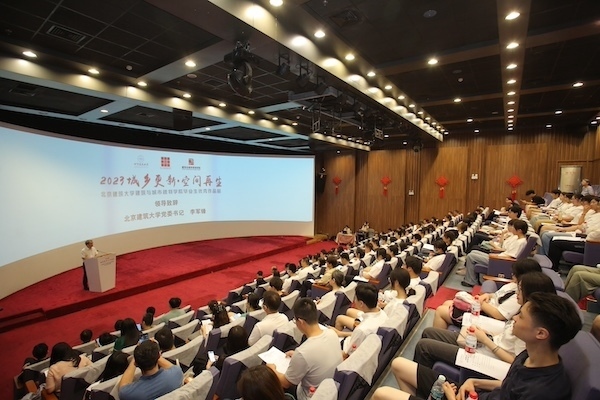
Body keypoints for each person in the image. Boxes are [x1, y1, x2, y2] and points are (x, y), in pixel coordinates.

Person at [372, 292, 582, 400]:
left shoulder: (542, 392)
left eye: (522, 316)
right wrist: (475, 381)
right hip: (473, 394)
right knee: (398, 364)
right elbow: (508, 385)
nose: (514, 318)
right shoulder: (529, 355)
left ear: (541, 333)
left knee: (382, 394)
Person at [414, 272, 557, 369]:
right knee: (429, 332)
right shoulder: (525, 313)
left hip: (487, 355)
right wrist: (485, 334)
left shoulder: (532, 325)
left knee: (423, 346)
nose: (517, 293)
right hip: (486, 341)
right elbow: (505, 333)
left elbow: (516, 362)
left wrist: (485, 340)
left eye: (520, 290)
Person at [434, 258, 542, 329]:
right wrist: (487, 295)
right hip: (484, 307)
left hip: (488, 317)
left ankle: (436, 341)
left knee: (440, 310)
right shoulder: (513, 285)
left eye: (515, 273)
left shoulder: (519, 296)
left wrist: (480, 303)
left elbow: (498, 315)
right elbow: (497, 295)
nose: (512, 274)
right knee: (448, 303)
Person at [268, 298, 342, 400]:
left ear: (301, 322)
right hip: (331, 390)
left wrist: (272, 369)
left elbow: (285, 383)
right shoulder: (332, 333)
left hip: (310, 396)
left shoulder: (303, 352)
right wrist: (297, 357)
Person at [461, 219, 528, 287]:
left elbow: (511, 256)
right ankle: (472, 279)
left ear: (519, 230)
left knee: (471, 256)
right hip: (499, 257)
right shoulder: (517, 238)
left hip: (500, 261)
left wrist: (495, 256)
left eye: (514, 228)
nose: (512, 229)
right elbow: (506, 250)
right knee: (474, 252)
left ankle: (471, 281)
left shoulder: (521, 242)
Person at [331, 283, 387, 358]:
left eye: (355, 298)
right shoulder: (383, 314)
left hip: (346, 347)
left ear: (361, 303)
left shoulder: (361, 330)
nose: (354, 301)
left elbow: (346, 356)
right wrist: (340, 333)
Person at [118, 340, 183, 400]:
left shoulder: (127, 394)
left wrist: (136, 357)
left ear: (136, 363)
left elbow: (122, 386)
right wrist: (154, 351)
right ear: (159, 355)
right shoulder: (177, 374)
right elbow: (171, 366)